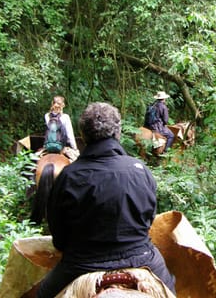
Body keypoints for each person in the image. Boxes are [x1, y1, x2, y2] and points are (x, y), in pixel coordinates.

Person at [36, 102, 176, 298]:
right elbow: (148, 220)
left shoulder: (69, 176)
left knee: (42, 294)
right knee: (170, 288)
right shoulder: (140, 169)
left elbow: (58, 234)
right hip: (140, 257)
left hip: (81, 263)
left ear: (83, 135)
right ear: (117, 133)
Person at [44, 95, 79, 161]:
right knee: (77, 161)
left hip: (48, 147)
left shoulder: (47, 116)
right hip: (62, 147)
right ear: (63, 105)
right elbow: (70, 135)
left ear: (52, 104)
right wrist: (75, 148)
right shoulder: (65, 117)